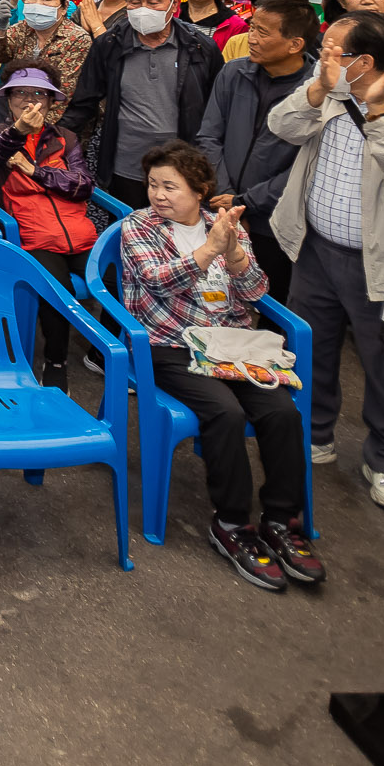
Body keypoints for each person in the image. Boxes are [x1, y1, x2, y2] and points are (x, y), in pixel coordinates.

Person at [266, 10, 384, 515]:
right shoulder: (327, 91)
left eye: (332, 49)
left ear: (364, 60)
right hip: (315, 249)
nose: (322, 56)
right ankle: (315, 431)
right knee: (311, 349)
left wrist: (377, 113)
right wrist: (317, 90)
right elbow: (279, 126)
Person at [118, 141, 324, 593]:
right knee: (225, 413)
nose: (158, 194)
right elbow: (157, 283)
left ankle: (280, 519)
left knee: (281, 413)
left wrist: (233, 254)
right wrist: (208, 251)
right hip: (169, 344)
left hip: (230, 344)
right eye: (153, 184)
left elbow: (254, 292)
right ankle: (231, 523)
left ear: (199, 189)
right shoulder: (138, 227)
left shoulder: (225, 224)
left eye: (170, 186)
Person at [62, 0, 223, 210]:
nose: (143, 9)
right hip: (125, 164)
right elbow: (84, 102)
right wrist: (55, 140)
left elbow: (216, 108)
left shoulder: (200, 47)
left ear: (174, 4)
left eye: (153, 1)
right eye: (135, 1)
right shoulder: (110, 44)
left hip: (182, 165)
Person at [195, 0, 321, 299]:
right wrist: (227, 199)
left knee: (273, 302)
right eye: (252, 28)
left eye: (261, 32)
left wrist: (246, 202)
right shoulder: (233, 72)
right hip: (219, 211)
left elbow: (305, 167)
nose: (251, 37)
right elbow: (209, 136)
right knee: (214, 295)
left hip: (275, 220)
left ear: (295, 44)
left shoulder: (315, 93)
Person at [0, 70, 97, 382]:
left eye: (39, 94)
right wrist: (17, 132)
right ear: (9, 100)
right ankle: (56, 362)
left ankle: (101, 354)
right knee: (59, 290)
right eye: (21, 93)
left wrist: (36, 171)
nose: (30, 100)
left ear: (50, 102)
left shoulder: (65, 139)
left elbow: (84, 184)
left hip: (79, 233)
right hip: (33, 236)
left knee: (117, 277)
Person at [0, 0, 90, 110]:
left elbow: (63, 93)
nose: (38, 5)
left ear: (64, 7)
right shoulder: (21, 28)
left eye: (46, 0)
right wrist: (0, 26)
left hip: (52, 120)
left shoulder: (77, 39)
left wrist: (31, 126)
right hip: (13, 110)